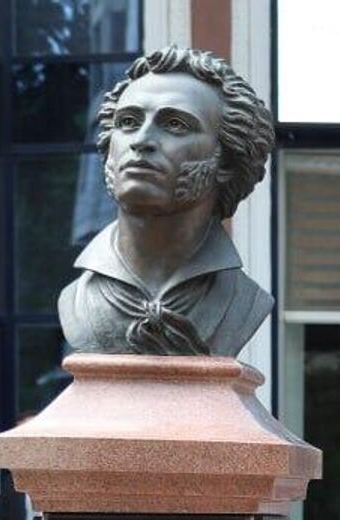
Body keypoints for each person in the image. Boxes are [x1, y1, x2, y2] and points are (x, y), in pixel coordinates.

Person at [62, 46, 275, 357]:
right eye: (128, 122)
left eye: (176, 124)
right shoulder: (75, 299)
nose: (141, 141)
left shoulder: (245, 301)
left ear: (227, 161)